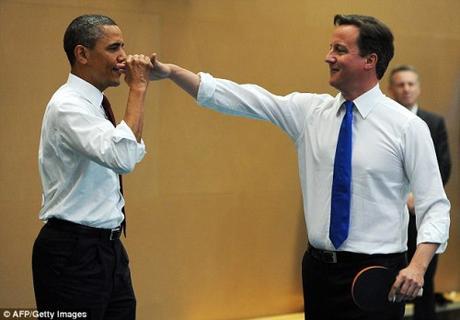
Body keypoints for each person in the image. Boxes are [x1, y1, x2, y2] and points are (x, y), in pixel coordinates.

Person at [149, 14, 450, 320]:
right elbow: (240, 98)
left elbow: (434, 205)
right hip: (318, 273)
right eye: (330, 47)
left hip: (376, 277)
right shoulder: (310, 113)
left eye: (340, 50)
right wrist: (173, 72)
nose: (328, 56)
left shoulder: (408, 127)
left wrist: (418, 266)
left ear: (370, 60)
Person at [32, 14, 152, 320]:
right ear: (82, 54)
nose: (124, 56)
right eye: (113, 48)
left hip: (108, 249)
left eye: (123, 45)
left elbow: (131, 153)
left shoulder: (95, 104)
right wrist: (137, 89)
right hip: (72, 252)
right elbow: (123, 157)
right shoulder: (68, 105)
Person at [389, 65, 451, 320]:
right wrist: (401, 198)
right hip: (391, 213)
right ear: (390, 89)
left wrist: (418, 198)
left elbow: (443, 165)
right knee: (390, 277)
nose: (406, 89)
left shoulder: (434, 122)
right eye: (400, 84)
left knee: (423, 278)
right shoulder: (385, 121)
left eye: (410, 84)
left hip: (422, 211)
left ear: (419, 88)